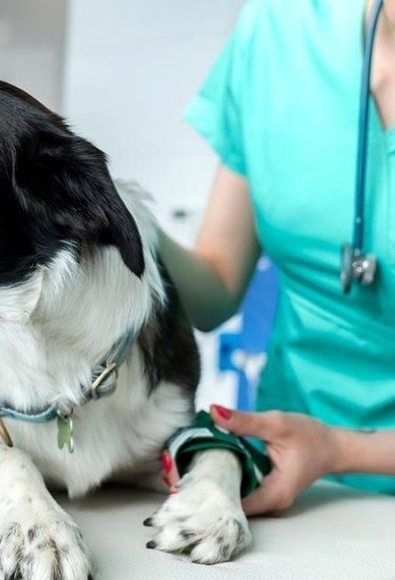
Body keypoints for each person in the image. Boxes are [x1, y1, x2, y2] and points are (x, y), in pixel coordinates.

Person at [159, 0, 395, 516]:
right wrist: (121, 212)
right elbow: (215, 288)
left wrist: (339, 447)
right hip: (282, 471)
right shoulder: (277, 26)